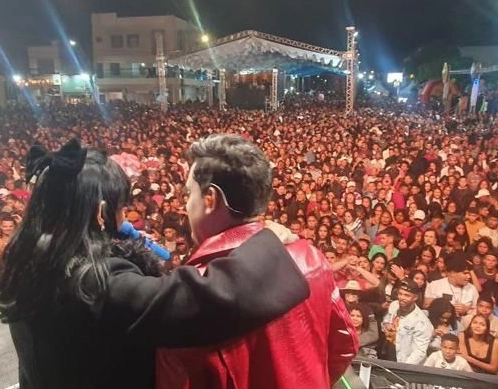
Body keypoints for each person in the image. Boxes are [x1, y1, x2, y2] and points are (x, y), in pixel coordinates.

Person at [0, 139, 310, 389]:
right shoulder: (95, 282)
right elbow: (206, 301)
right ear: (100, 212)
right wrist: (265, 242)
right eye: (122, 208)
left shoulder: (28, 257)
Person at [156, 135, 358, 389]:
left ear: (210, 198)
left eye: (188, 194)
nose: (186, 205)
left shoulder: (194, 291)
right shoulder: (308, 255)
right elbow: (344, 345)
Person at [381, 279, 433, 364]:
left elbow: (419, 352)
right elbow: (386, 320)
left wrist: (403, 367)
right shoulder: (394, 305)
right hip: (388, 352)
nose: (402, 298)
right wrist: (386, 325)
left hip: (404, 361)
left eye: (407, 295)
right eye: (400, 294)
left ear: (415, 297)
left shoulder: (422, 322)